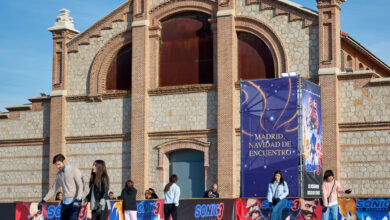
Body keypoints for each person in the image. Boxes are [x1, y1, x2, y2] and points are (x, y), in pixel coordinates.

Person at [38, 154, 83, 220]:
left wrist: (78, 200)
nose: (57, 167)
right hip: (64, 204)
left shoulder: (74, 170)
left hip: (74, 203)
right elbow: (53, 189)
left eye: (59, 164)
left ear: (64, 161)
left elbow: (80, 186)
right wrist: (43, 200)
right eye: (56, 165)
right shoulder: (59, 174)